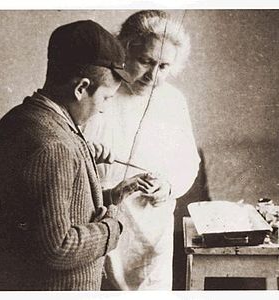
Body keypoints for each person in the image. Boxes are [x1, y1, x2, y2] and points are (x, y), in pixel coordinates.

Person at [0, 20, 155, 291]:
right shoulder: (55, 145)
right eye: (105, 99)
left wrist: (113, 196)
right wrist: (114, 226)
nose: (102, 109)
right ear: (81, 88)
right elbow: (58, 248)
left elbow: (47, 214)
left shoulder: (20, 119)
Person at [83, 10, 200, 290]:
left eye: (163, 66)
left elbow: (188, 162)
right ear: (125, 48)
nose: (153, 75)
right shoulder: (102, 93)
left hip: (152, 223)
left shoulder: (174, 101)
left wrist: (168, 186)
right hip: (101, 216)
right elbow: (71, 150)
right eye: (145, 61)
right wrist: (88, 151)